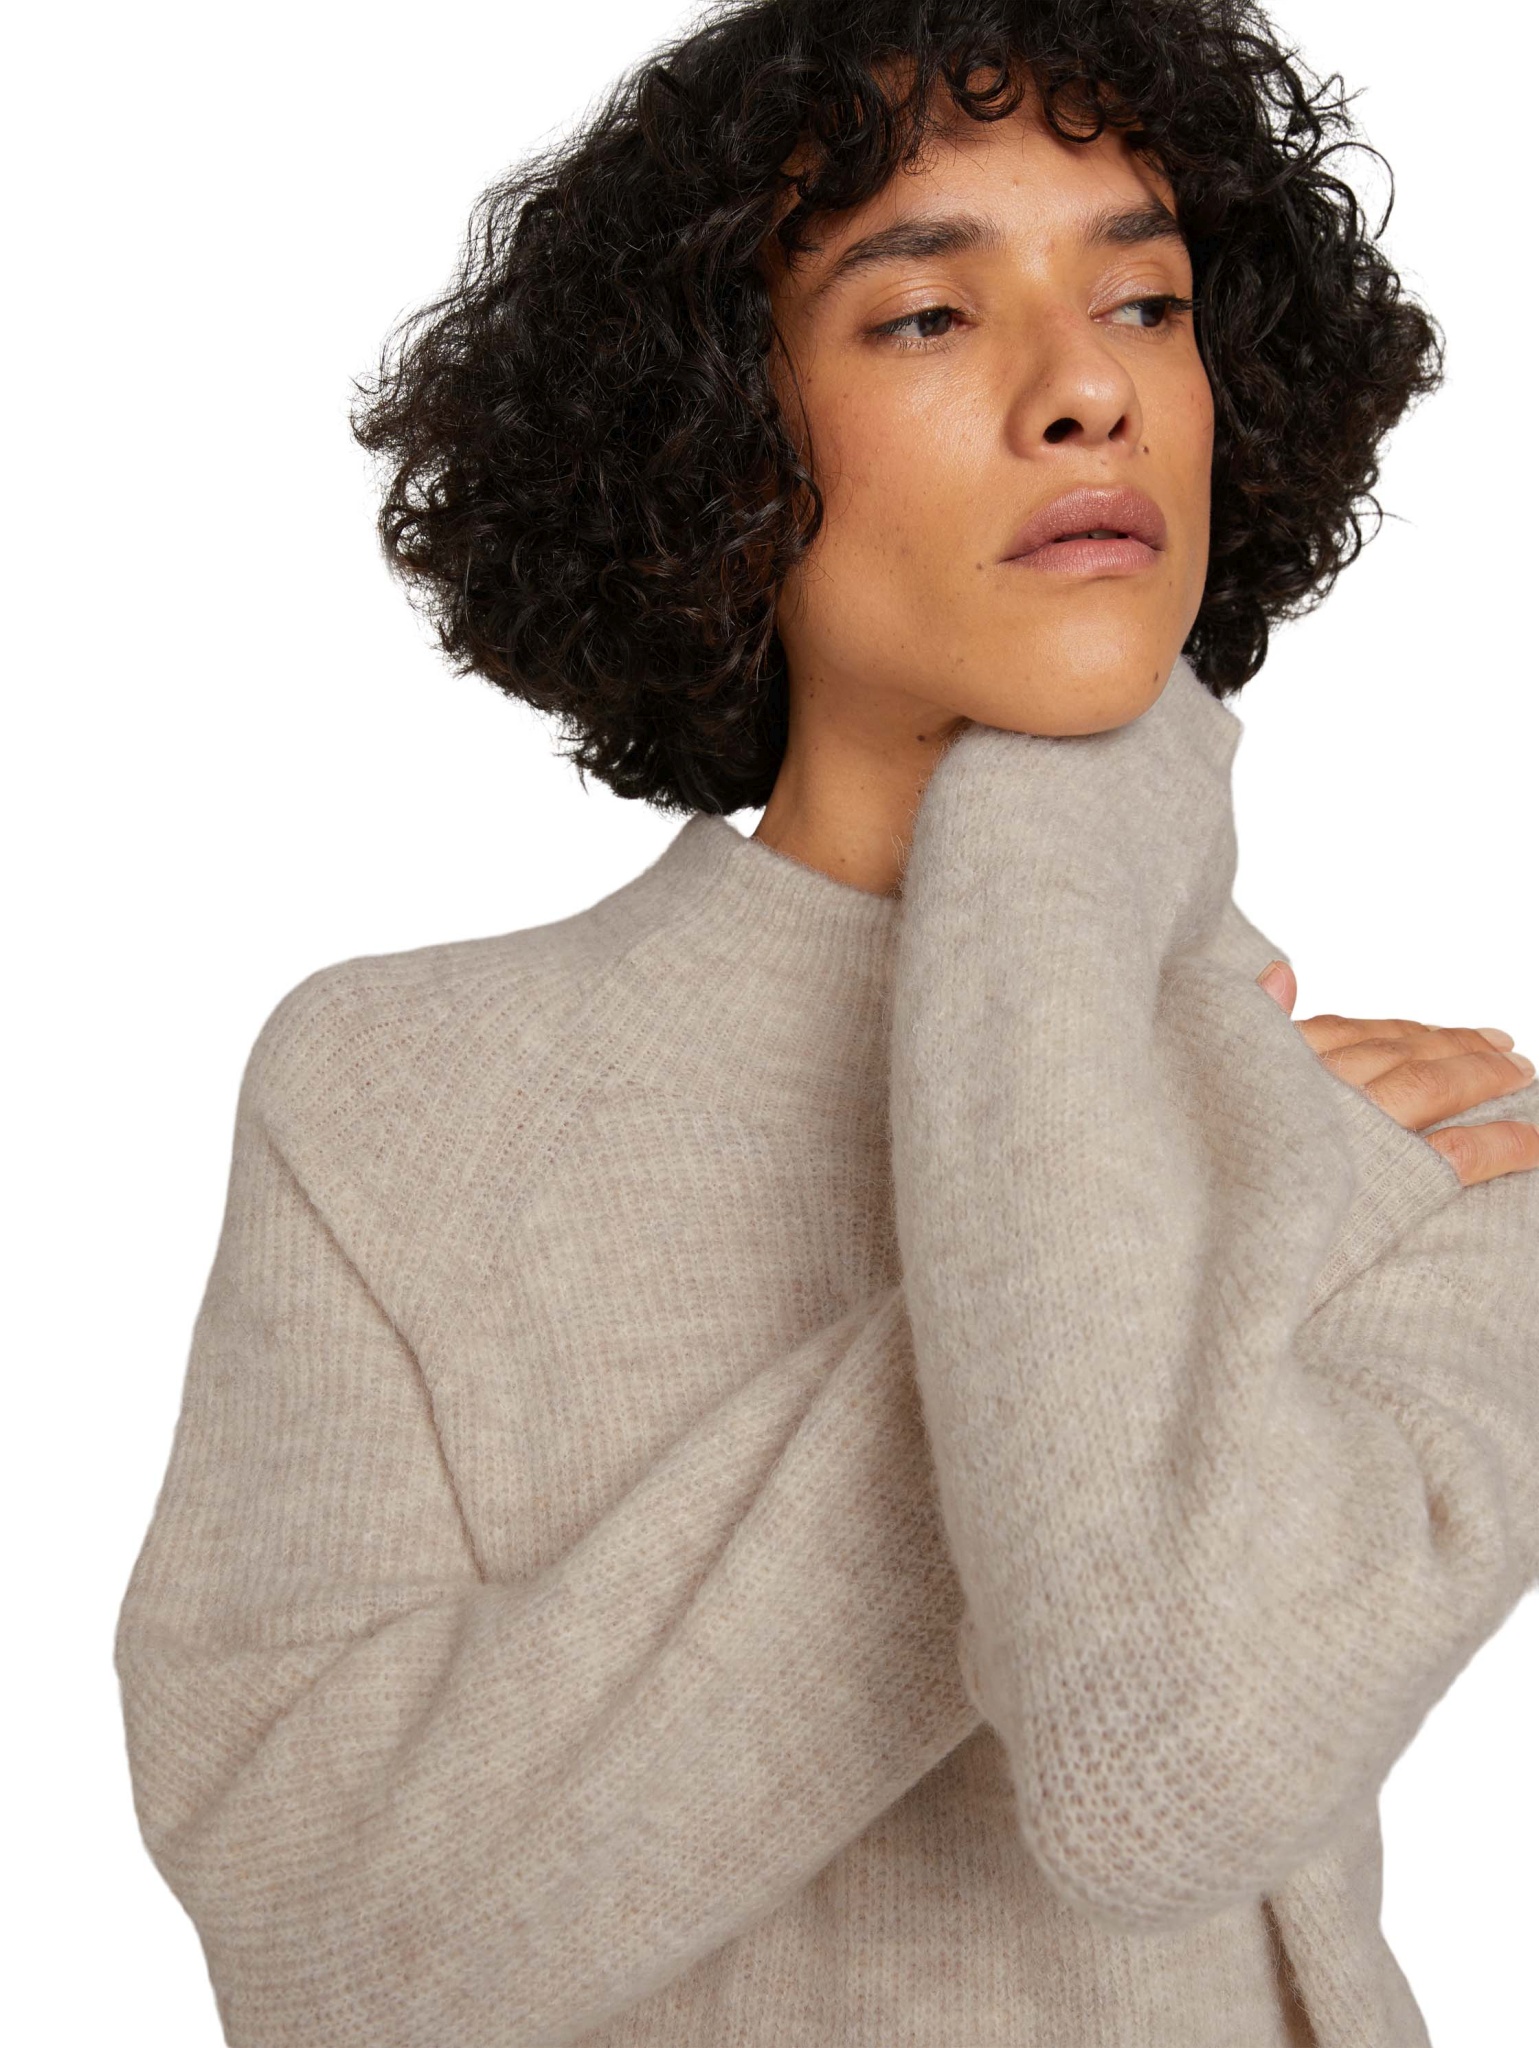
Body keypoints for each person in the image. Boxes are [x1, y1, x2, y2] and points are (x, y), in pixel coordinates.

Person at [112, 3, 1539, 2044]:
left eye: (1143, 302)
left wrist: (1062, 850)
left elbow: (1165, 1764)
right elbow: (322, 1953)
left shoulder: (1444, 1159)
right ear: (719, 446)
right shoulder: (393, 1099)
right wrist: (1165, 1197)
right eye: (926, 317)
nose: (1086, 390)